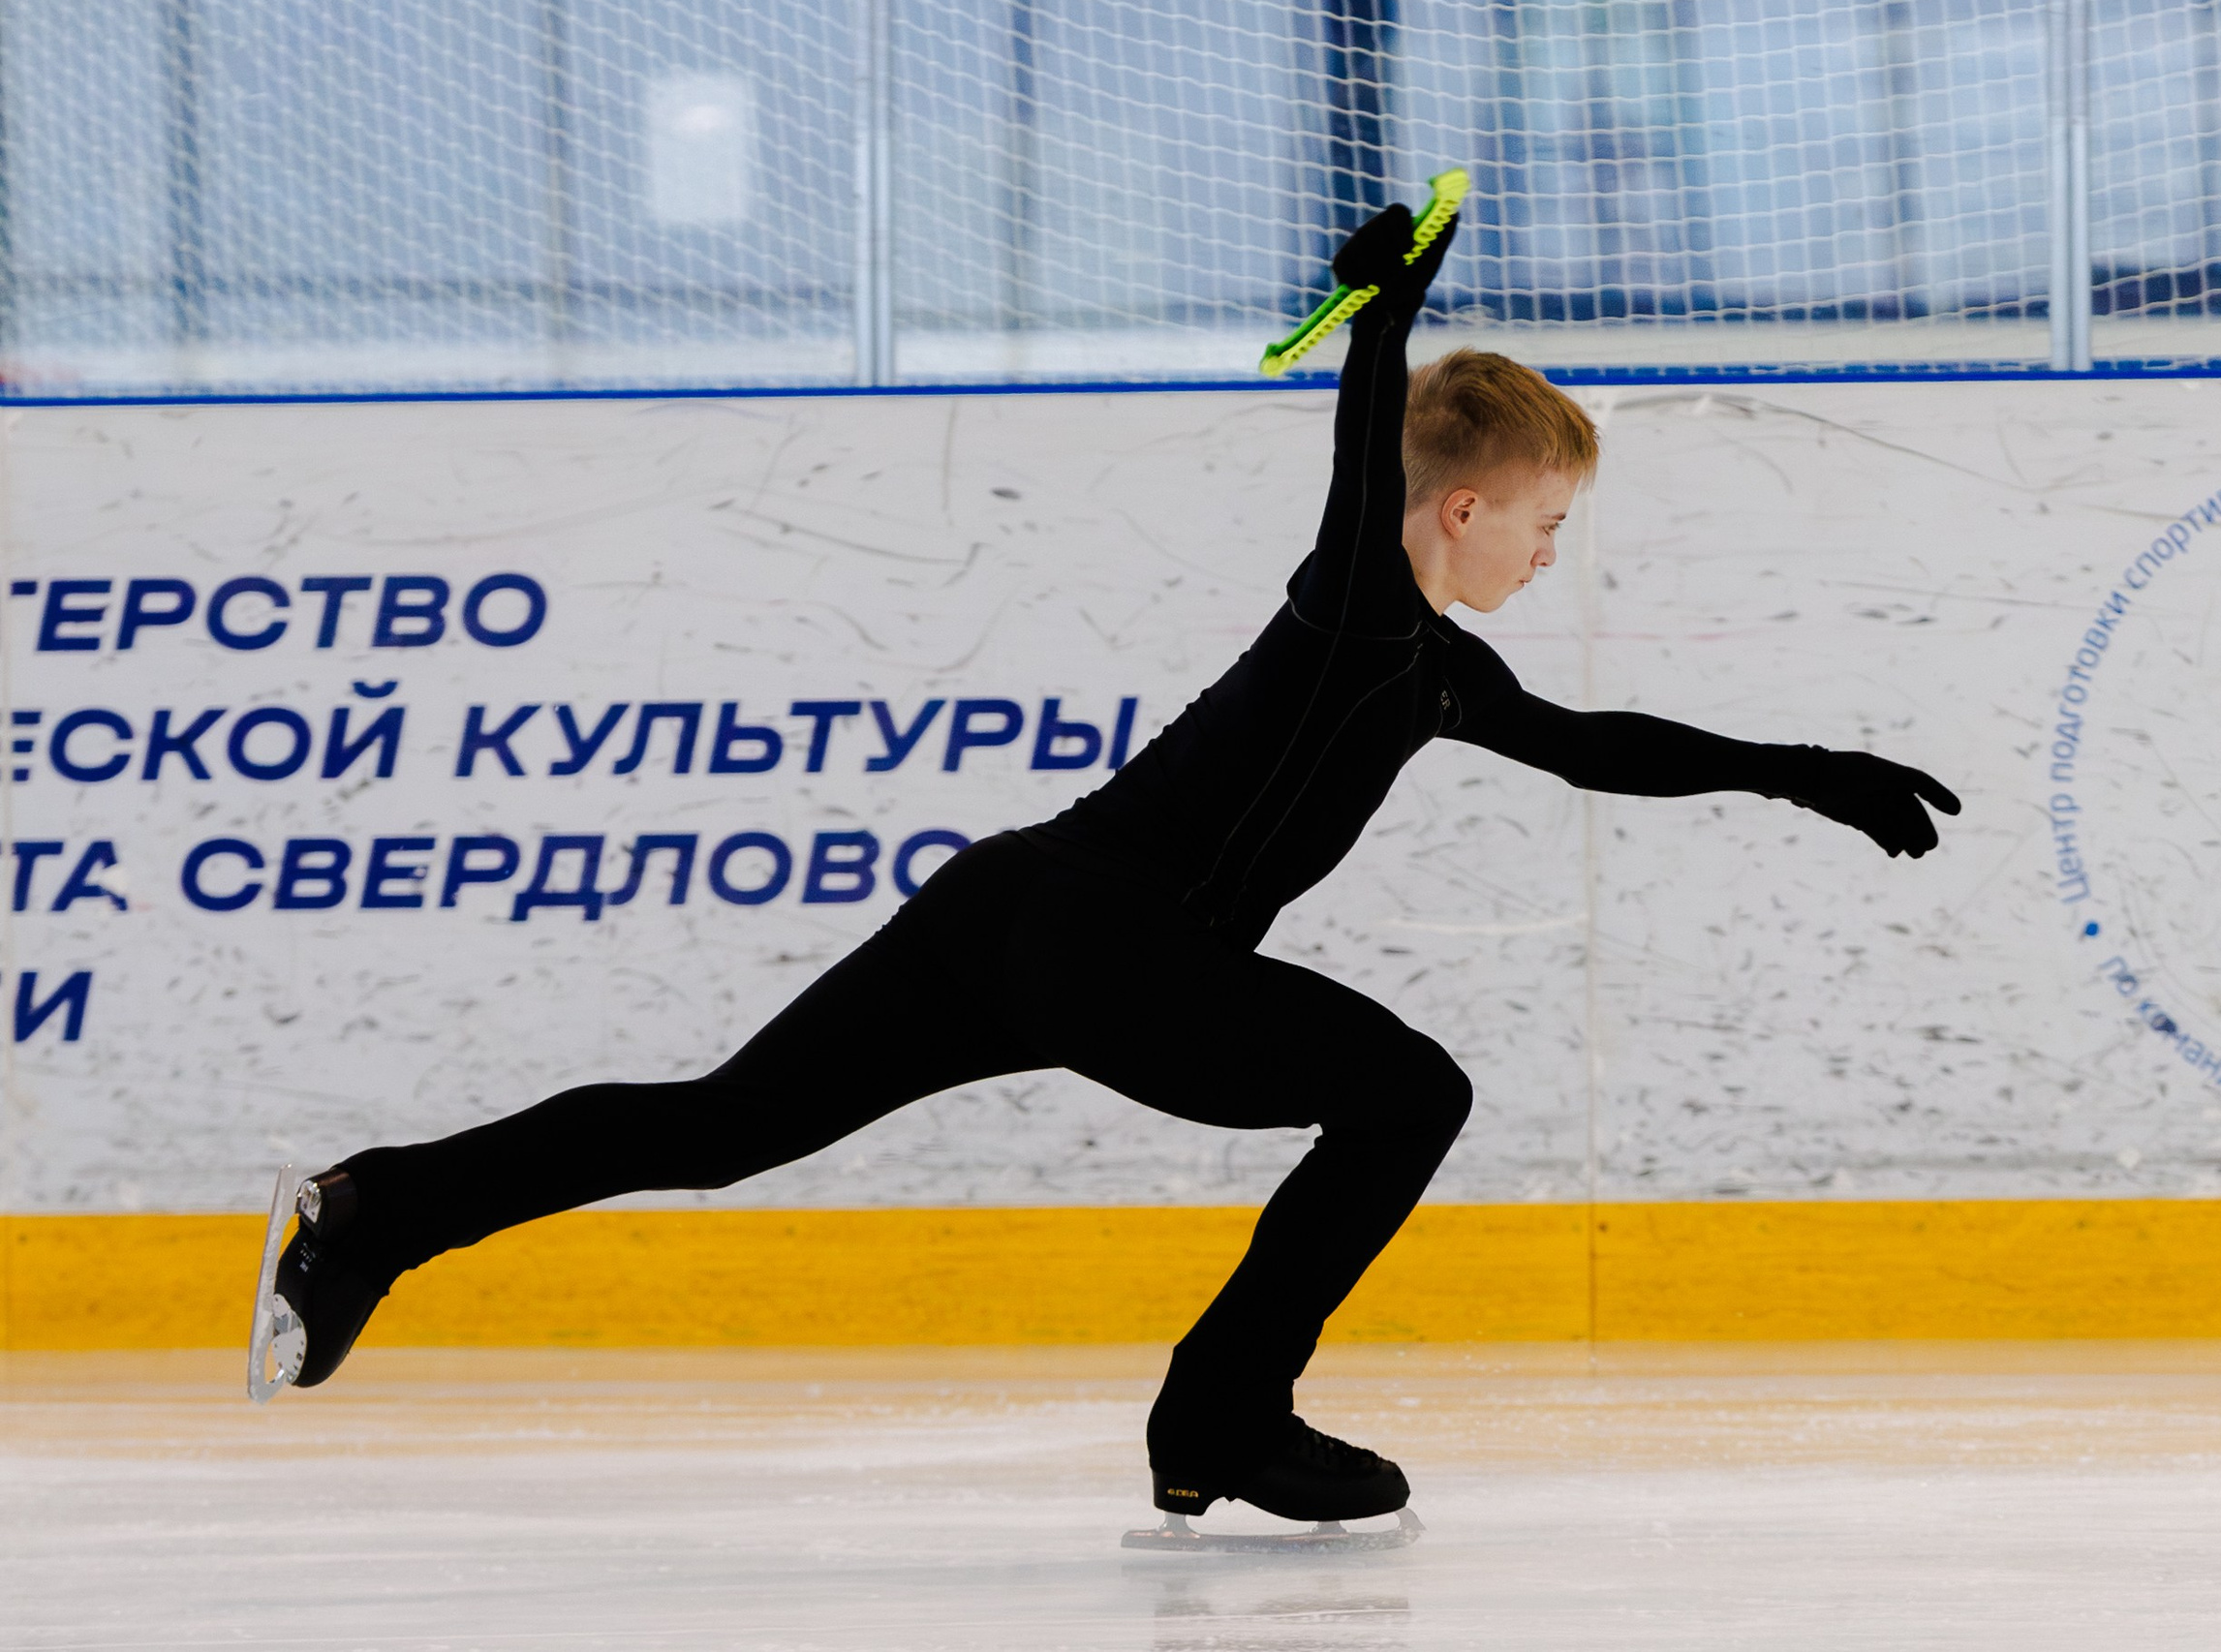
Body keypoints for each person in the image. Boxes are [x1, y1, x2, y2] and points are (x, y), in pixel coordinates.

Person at [265, 199, 1959, 1527]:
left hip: (1016, 910)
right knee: (1411, 1093)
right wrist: (1389, 319)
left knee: (722, 1126)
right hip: (1113, 937)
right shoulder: (1362, 605)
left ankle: (367, 1213)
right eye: (1542, 520)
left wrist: (1798, 771)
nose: (1547, 546)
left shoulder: (1434, 665)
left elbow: (1602, 744)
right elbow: (1365, 453)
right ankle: (1224, 1409)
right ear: (1459, 510)